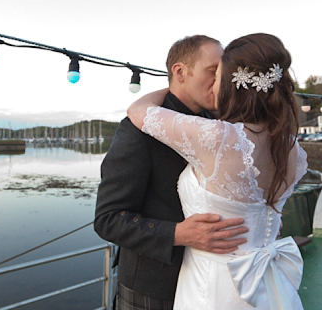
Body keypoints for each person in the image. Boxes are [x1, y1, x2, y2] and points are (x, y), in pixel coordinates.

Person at [127, 33, 308, 309]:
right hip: (268, 285)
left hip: (213, 285)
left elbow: (138, 109)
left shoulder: (218, 138)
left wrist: (171, 87)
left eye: (218, 74)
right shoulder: (291, 147)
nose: (213, 84)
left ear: (234, 84)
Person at [94, 35, 249, 309]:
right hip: (155, 286)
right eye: (212, 72)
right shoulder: (137, 129)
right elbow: (108, 219)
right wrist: (179, 233)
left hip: (217, 282)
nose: (221, 83)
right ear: (179, 72)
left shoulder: (220, 126)